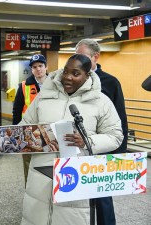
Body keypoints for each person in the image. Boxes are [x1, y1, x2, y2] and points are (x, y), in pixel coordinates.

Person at [18, 54, 123, 225]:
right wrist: (3, 144)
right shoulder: (43, 97)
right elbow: (25, 126)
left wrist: (87, 141)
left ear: (87, 76)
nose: (67, 77)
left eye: (75, 74)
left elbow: (116, 135)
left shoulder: (101, 102)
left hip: (74, 179)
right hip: (41, 178)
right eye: (66, 71)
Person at [75, 39, 128, 225]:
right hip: (77, 149)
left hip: (103, 149)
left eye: (83, 57)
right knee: (78, 198)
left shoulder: (110, 82)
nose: (79, 61)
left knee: (103, 197)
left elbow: (120, 120)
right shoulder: (73, 80)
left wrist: (118, 154)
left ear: (95, 57)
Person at [12, 54, 48, 184]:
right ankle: (30, 190)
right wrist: (17, 133)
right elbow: (17, 110)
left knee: (48, 163)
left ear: (46, 67)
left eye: (40, 66)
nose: (38, 69)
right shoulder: (23, 86)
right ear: (31, 70)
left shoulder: (55, 85)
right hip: (28, 131)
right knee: (28, 163)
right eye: (34, 67)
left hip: (49, 131)